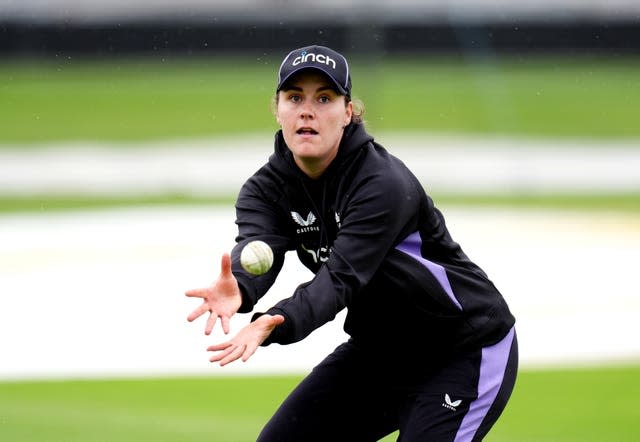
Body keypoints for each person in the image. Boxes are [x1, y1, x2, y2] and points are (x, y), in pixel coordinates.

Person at [186, 44, 518, 441]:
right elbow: (260, 248)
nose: (307, 110)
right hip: (380, 354)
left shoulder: (381, 184)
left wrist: (276, 321)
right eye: (295, 98)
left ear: (347, 113)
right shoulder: (265, 190)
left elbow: (340, 279)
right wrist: (240, 285)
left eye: (324, 98)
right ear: (278, 110)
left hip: (462, 348)